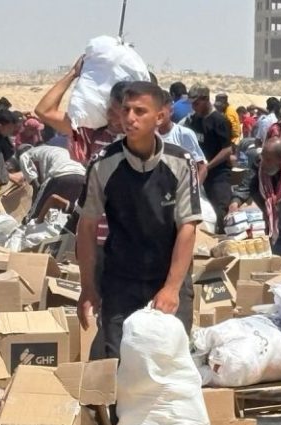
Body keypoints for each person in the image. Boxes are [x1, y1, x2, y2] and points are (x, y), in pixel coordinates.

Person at [76, 81, 202, 359]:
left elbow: (188, 227)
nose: (130, 118)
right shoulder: (103, 163)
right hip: (121, 279)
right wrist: (88, 287)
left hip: (168, 275)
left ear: (160, 117)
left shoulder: (181, 162)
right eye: (126, 110)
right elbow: (86, 227)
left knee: (169, 360)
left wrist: (171, 288)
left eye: (140, 111)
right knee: (119, 359)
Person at [229, 137, 281, 256]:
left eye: (268, 160)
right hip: (275, 229)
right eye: (263, 157)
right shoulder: (260, 163)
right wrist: (235, 202)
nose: (263, 163)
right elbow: (247, 184)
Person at [35, 57, 126, 165]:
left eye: (120, 113)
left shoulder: (139, 140)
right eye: (111, 111)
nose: (113, 117)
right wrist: (73, 74)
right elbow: (44, 111)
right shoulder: (91, 133)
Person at [183, 84, 233, 233]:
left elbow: (227, 150)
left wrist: (207, 166)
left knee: (220, 211)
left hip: (217, 174)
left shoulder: (219, 121)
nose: (193, 107)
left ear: (205, 99)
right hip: (196, 173)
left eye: (196, 103)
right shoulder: (193, 120)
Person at [16, 144, 87, 223]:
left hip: (61, 174)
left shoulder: (25, 155)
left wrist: (31, 213)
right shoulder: (52, 150)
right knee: (65, 212)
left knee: (36, 215)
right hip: (82, 177)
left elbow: (37, 187)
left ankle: (28, 223)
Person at [158, 90, 208, 183]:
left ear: (171, 111)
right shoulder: (148, 136)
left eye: (161, 112)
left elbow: (202, 167)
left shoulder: (184, 134)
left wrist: (193, 189)